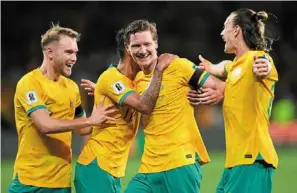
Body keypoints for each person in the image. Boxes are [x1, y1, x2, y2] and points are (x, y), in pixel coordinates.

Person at [122, 19, 230, 193]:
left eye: (147, 44)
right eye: (136, 46)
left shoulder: (179, 66)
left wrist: (217, 94)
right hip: (149, 166)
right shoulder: (136, 80)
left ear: (156, 43)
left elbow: (221, 86)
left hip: (180, 162)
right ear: (128, 49)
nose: (142, 50)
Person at [8, 24, 116, 193]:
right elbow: (45, 125)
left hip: (61, 183)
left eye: (75, 53)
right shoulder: (30, 83)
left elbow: (84, 128)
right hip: (30, 181)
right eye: (68, 52)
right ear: (50, 52)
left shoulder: (72, 88)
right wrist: (90, 120)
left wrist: (106, 97)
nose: (74, 58)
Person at [74, 28, 178, 193]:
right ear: (129, 50)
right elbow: (144, 106)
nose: (144, 53)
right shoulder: (111, 78)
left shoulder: (131, 81)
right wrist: (159, 70)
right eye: (138, 48)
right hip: (97, 166)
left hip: (113, 170)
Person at [198, 8, 278, 193]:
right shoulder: (236, 65)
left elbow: (266, 64)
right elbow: (224, 67)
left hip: (253, 158)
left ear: (236, 30)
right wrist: (210, 67)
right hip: (236, 162)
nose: (221, 33)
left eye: (225, 27)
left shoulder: (257, 59)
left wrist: (266, 67)